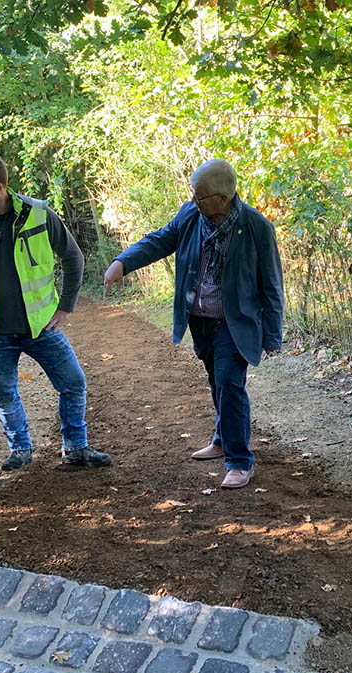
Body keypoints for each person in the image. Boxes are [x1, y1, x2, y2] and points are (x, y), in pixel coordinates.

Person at [103, 159, 284, 489]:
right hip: (199, 321)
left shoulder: (257, 227)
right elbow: (159, 240)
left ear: (224, 197)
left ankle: (240, 461)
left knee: (230, 384)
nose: (192, 201)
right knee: (218, 384)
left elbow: (272, 285)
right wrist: (122, 262)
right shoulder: (192, 215)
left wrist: (273, 335)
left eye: (199, 196)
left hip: (234, 323)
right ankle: (221, 438)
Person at [0, 154, 111, 472]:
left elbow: (73, 258)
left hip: (41, 327)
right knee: (4, 393)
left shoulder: (39, 214)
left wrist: (65, 307)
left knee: (73, 383)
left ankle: (76, 448)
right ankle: (19, 450)